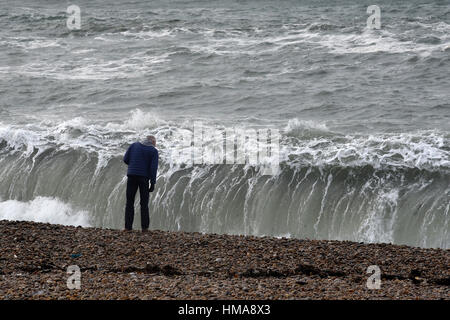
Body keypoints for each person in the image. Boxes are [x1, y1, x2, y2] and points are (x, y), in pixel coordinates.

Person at [123, 135, 158, 232]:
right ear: (152, 142)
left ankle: (128, 227)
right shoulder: (153, 151)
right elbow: (153, 168)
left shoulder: (134, 145)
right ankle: (145, 228)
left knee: (129, 202)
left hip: (131, 176)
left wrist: (134, 165)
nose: (155, 146)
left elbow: (125, 159)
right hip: (144, 178)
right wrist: (153, 183)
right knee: (144, 204)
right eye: (155, 143)